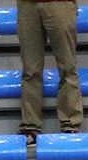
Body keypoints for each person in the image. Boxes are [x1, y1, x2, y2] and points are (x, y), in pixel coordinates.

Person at [18, 0, 83, 138]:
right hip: (28, 5)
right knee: (30, 70)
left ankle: (70, 124)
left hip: (60, 4)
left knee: (68, 67)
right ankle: (30, 126)